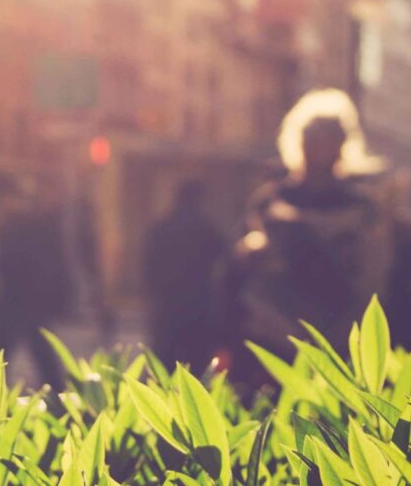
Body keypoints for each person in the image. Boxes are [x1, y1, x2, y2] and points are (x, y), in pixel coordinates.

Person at [220, 89, 392, 386]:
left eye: (326, 141)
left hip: (341, 339)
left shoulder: (362, 207)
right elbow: (235, 269)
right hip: (272, 338)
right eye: (311, 141)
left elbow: (377, 275)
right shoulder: (271, 200)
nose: (317, 151)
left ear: (341, 145)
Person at [0, 174, 69, 389]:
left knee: (2, 351)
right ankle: (58, 393)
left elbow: (10, 261)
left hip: (21, 297)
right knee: (31, 349)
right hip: (26, 298)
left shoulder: (18, 222)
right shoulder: (27, 219)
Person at [142, 179, 225, 370]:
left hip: (167, 305)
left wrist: (152, 295)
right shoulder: (206, 229)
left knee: (163, 365)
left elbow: (148, 265)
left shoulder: (161, 227)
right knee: (196, 367)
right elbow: (223, 261)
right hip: (198, 306)